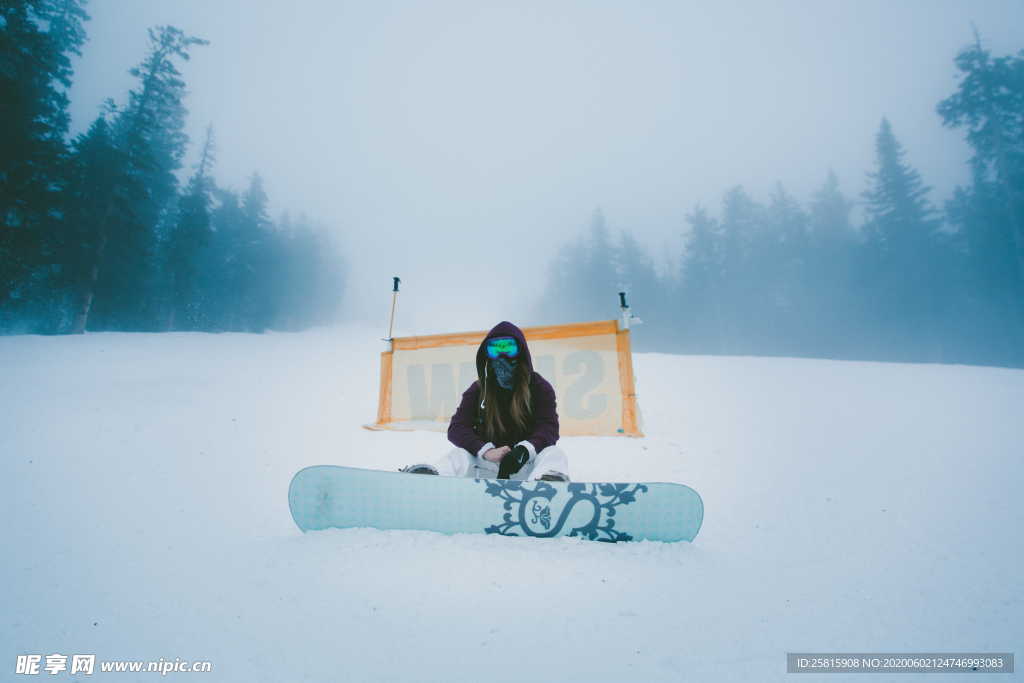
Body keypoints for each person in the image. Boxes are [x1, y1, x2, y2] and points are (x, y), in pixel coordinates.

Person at [400, 321, 569, 481]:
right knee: (459, 455)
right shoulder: (480, 390)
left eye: (509, 348)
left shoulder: (539, 387)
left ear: (521, 351)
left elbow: (549, 428)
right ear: (487, 355)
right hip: (488, 466)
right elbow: (457, 428)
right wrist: (487, 451)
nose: (502, 356)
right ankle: (432, 479)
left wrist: (525, 450)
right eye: (495, 350)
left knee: (554, 453)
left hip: (527, 467)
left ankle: (547, 484)